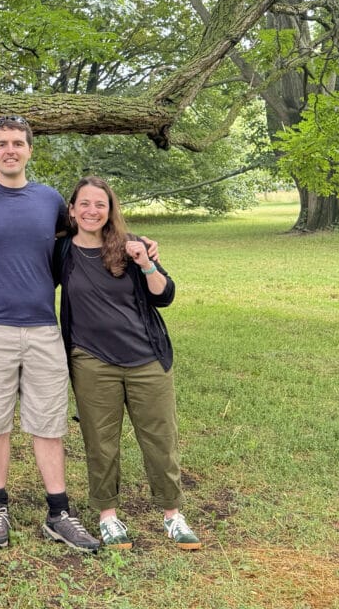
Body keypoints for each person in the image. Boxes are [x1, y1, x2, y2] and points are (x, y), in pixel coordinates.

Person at [0, 116, 101, 552]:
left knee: (48, 421)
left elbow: (88, 235)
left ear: (30, 150)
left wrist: (138, 247)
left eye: (18, 143)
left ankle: (59, 512)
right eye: (2, 144)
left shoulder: (50, 200)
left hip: (42, 328)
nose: (10, 150)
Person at [56, 176, 201, 551]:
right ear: (71, 210)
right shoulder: (61, 252)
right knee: (100, 442)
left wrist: (148, 264)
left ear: (110, 210)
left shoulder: (131, 246)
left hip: (146, 358)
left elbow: (164, 296)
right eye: (83, 204)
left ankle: (172, 514)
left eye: (99, 204)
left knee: (160, 439)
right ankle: (108, 516)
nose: (91, 211)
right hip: (92, 361)